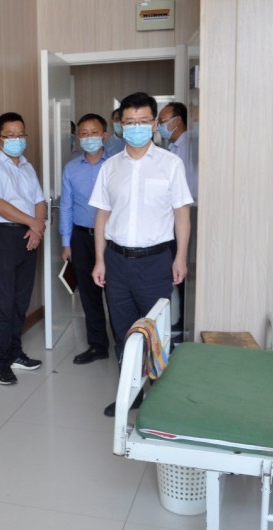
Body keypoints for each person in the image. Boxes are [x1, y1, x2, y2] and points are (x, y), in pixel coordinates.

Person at [89, 92, 193, 417]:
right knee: (123, 331)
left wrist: (180, 257)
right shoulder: (110, 167)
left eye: (143, 121)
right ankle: (131, 395)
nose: (136, 128)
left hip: (156, 261)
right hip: (116, 261)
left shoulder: (170, 164)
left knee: (156, 334)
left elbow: (182, 214)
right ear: (120, 125)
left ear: (154, 123)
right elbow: (102, 216)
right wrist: (100, 259)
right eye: (130, 122)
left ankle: (160, 402)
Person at [0, 112, 47, 385]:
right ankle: (1, 362)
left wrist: (36, 227)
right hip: (3, 238)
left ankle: (16, 353)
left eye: (21, 135)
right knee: (4, 303)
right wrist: (34, 223)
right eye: (10, 136)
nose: (17, 140)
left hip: (28, 235)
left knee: (21, 300)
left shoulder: (27, 167)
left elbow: (39, 200)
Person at [59, 113, 113, 364]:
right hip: (81, 238)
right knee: (89, 296)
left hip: (112, 239)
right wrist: (66, 242)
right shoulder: (71, 168)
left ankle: (125, 348)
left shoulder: (116, 164)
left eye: (94, 132)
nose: (89, 137)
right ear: (78, 137)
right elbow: (66, 207)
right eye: (84, 133)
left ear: (104, 135)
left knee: (115, 294)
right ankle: (98, 345)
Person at [158, 102, 199, 336]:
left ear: (178, 120)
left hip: (186, 213)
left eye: (163, 121)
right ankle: (180, 320)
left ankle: (184, 323)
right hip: (173, 217)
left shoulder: (189, 146)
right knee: (175, 270)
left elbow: (188, 188)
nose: (160, 126)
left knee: (181, 268)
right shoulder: (172, 147)